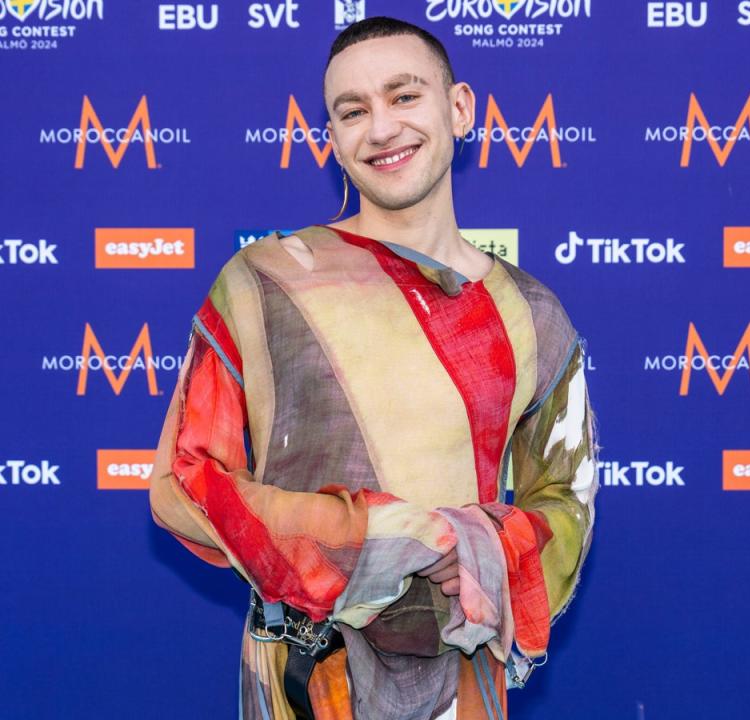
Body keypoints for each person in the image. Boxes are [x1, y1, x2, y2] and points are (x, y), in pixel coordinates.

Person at [149, 16, 598, 720]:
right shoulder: (262, 284)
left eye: (404, 96)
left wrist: (482, 551)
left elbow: (565, 500)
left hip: (461, 686)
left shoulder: (530, 314)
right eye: (352, 111)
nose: (381, 128)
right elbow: (181, 485)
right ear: (331, 137)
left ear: (459, 109)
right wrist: (376, 542)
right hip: (301, 679)